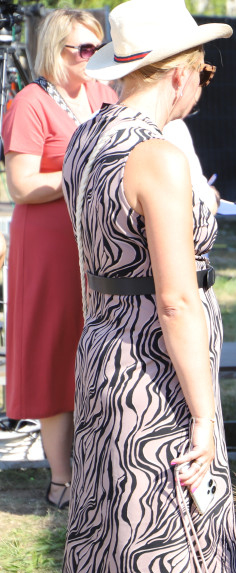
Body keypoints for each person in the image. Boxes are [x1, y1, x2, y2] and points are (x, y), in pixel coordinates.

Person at [59, 1, 236, 573]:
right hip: (155, 379)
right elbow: (174, 296)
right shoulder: (155, 155)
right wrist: (203, 417)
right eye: (205, 70)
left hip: (107, 354)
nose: (203, 80)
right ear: (179, 73)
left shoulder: (88, 136)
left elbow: (91, 268)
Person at [0, 9, 117, 509]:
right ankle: (63, 478)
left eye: (97, 47)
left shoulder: (102, 94)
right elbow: (22, 186)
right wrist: (81, 173)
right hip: (49, 243)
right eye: (81, 49)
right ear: (54, 50)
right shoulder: (29, 102)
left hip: (98, 238)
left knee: (97, 344)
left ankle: (98, 467)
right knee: (54, 351)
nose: (92, 58)